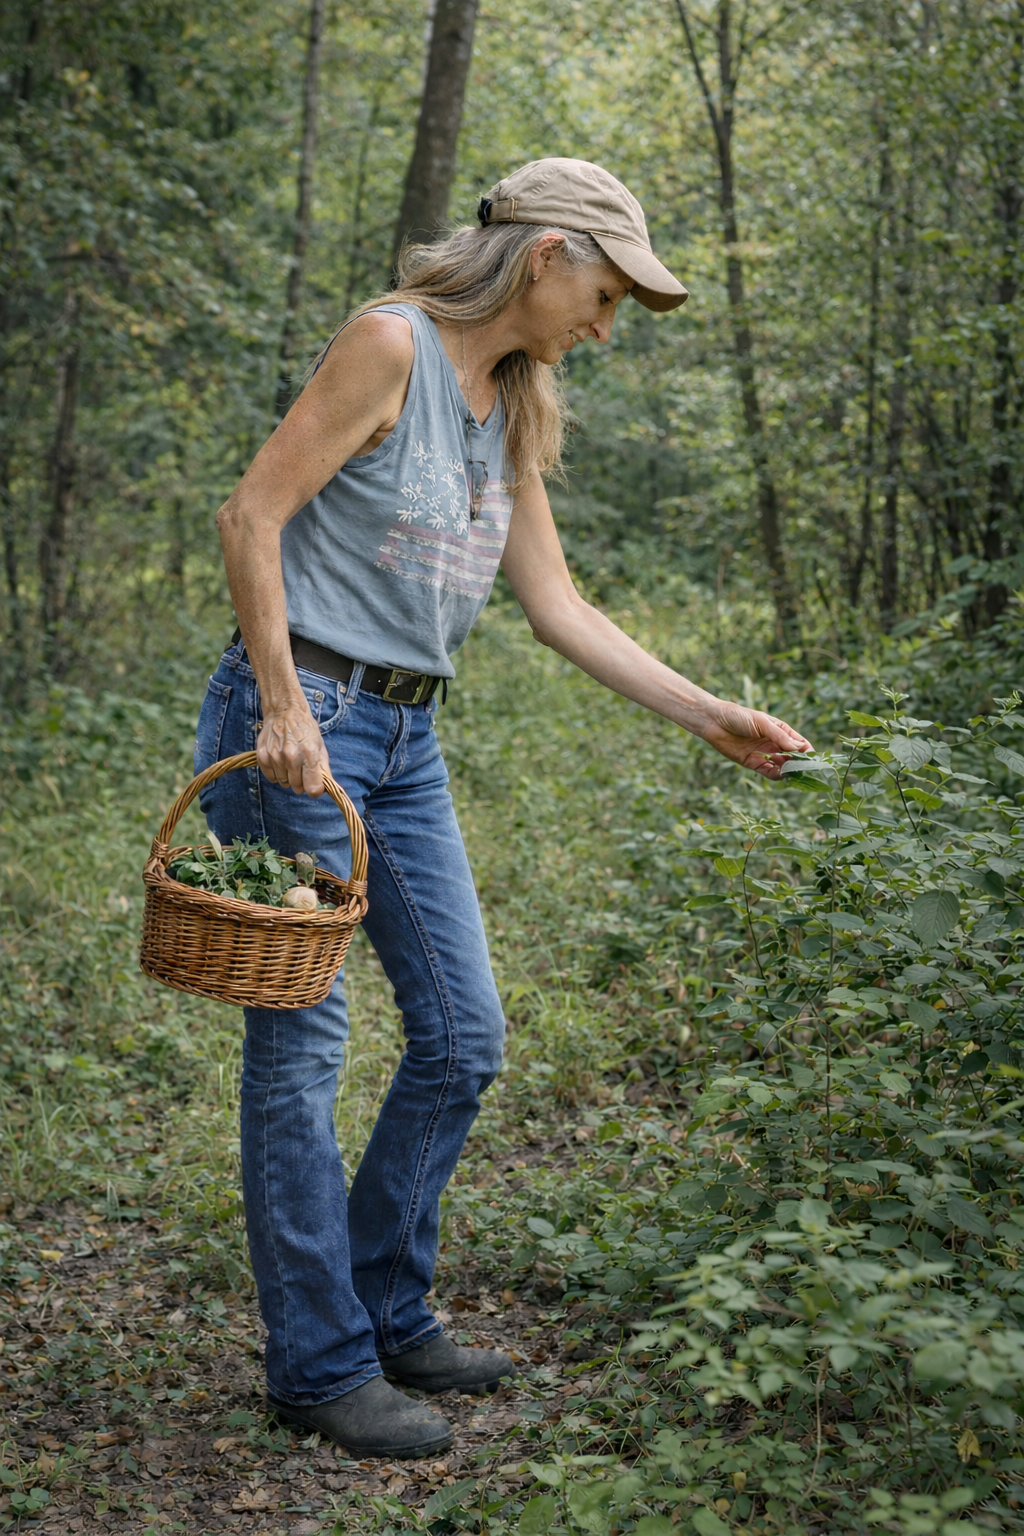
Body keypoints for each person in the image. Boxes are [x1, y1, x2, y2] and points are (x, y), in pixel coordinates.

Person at [199, 157, 811, 1459]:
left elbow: (558, 606)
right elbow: (251, 514)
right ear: (544, 256)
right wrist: (283, 706)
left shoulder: (518, 405)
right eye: (605, 293)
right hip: (302, 725)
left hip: (406, 742)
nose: (607, 324)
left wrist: (714, 717)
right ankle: (317, 1365)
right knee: (303, 1054)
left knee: (465, 1036)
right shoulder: (391, 347)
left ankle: (382, 1299)